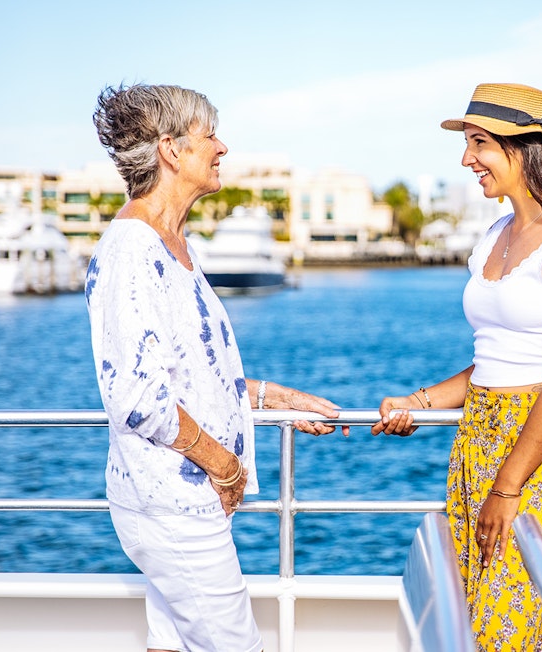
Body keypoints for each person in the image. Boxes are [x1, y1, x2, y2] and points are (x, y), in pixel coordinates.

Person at [373, 83, 542, 651]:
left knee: (514, 627)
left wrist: (508, 486)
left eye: (478, 144)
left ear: (523, 148)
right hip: (479, 439)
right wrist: (418, 403)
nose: (466, 159)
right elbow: (490, 363)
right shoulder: (495, 236)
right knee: (474, 619)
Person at [86, 83, 345, 652]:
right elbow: (135, 396)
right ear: (171, 151)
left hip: (181, 496)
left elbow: (195, 373)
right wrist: (224, 464)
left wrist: (276, 400)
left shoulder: (175, 242)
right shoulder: (133, 250)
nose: (222, 147)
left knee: (171, 643)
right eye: (210, 135)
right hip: (173, 503)